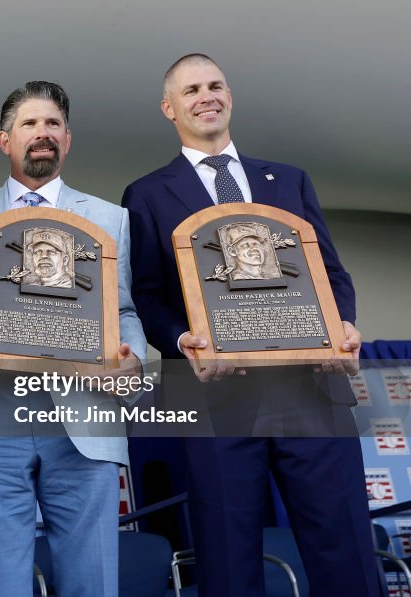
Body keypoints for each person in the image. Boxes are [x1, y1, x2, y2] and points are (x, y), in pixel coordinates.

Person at [122, 54, 378, 596]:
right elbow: (144, 292)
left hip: (310, 387)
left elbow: (329, 273)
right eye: (191, 90)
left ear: (230, 96)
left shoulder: (288, 179)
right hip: (216, 397)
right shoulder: (145, 194)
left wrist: (345, 325)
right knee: (227, 553)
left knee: (345, 546)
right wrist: (177, 340)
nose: (206, 96)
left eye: (215, 85)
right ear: (170, 108)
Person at [0, 80, 146, 596]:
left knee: (92, 582)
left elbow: (125, 309)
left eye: (52, 124)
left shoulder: (111, 219)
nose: (41, 133)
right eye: (29, 123)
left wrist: (132, 358)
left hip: (84, 417)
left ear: (67, 139)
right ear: (5, 140)